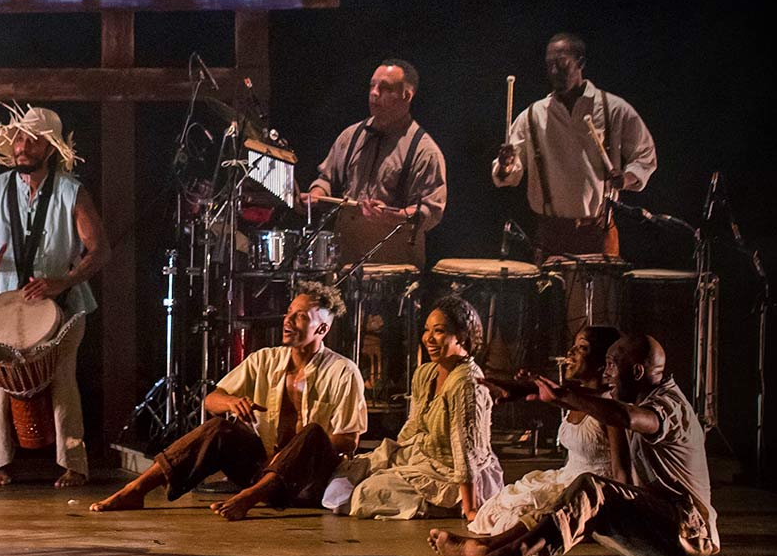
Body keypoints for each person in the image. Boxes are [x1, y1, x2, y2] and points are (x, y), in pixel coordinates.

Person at [429, 334, 719, 556]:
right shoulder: (640, 395)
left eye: (611, 366)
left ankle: (519, 552)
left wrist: (561, 396)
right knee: (564, 497)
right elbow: (595, 399)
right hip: (653, 529)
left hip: (685, 535)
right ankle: (491, 546)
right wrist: (527, 391)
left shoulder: (670, 408)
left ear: (638, 372)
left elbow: (627, 417)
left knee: (591, 487)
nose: (606, 374)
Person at [89, 282, 367, 517]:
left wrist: (295, 450)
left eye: (301, 316)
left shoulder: (343, 371)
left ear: (322, 330)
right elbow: (211, 400)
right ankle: (135, 490)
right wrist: (231, 403)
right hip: (262, 470)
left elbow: (348, 440)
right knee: (218, 428)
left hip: (306, 482)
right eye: (288, 312)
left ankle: (248, 498)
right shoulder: (265, 360)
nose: (287, 320)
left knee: (313, 434)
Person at [0, 103, 108, 488]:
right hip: (8, 312)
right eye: (18, 139)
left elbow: (100, 250)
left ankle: (74, 464)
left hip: (64, 308)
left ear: (49, 148)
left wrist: (64, 281)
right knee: (0, 387)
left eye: (31, 140)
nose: (21, 146)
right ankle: (0, 462)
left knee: (63, 382)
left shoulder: (71, 193)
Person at [328, 296, 502, 520]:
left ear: (461, 337)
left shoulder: (467, 385)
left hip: (452, 473)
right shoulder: (426, 373)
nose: (429, 338)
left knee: (365, 493)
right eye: (427, 330)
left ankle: (446, 504)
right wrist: (390, 459)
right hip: (422, 456)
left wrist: (471, 509)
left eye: (438, 331)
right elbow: (413, 425)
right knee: (347, 473)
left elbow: (465, 450)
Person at [492, 33, 657, 257]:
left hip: (599, 232)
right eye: (549, 65)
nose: (554, 72)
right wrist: (505, 165)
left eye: (561, 64)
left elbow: (645, 155)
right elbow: (508, 175)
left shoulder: (613, 109)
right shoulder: (532, 116)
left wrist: (626, 178)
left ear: (580, 63)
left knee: (600, 294)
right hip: (551, 235)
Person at [466, 325, 621, 535]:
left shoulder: (610, 408)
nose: (570, 353)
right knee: (495, 510)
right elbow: (558, 396)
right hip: (566, 476)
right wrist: (518, 389)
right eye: (573, 346)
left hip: (588, 490)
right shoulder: (574, 396)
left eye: (582, 348)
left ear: (604, 363)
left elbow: (621, 472)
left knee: (519, 519)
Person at [304, 59, 447, 263]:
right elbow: (327, 179)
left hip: (393, 268)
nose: (374, 93)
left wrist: (392, 216)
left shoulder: (424, 151)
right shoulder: (350, 136)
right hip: (345, 260)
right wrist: (316, 195)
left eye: (385, 88)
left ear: (407, 95)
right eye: (372, 86)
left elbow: (430, 212)